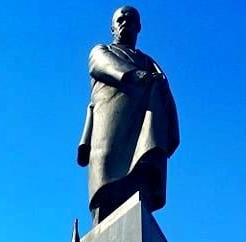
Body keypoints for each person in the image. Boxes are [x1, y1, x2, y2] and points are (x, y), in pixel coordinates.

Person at [77, 6, 180, 222]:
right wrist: (138, 76)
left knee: (139, 193)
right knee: (106, 189)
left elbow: (165, 91)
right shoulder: (100, 51)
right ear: (112, 27)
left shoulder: (150, 62)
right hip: (110, 131)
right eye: (121, 19)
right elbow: (105, 66)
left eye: (132, 20)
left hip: (145, 132)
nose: (126, 23)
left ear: (139, 27)